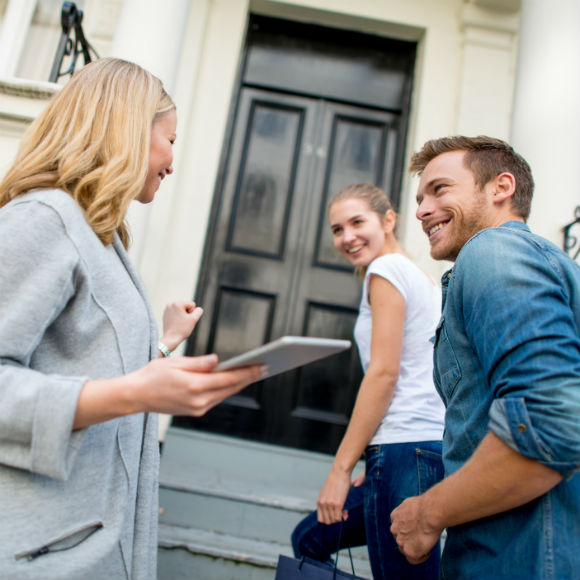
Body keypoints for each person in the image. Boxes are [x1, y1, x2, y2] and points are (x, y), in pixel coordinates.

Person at [0, 57, 265, 580]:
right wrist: (137, 393)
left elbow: (79, 366)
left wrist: (163, 346)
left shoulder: (101, 235)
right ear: (125, 129)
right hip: (40, 554)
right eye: (170, 139)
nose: (172, 161)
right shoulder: (42, 220)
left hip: (88, 547)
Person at [390, 135, 580, 580]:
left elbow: (554, 423)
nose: (420, 210)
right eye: (419, 198)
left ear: (501, 188)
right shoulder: (539, 261)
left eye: (439, 189)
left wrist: (428, 513)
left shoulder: (493, 251)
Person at [295, 183, 445, 580]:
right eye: (337, 229)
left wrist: (341, 469)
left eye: (357, 222)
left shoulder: (385, 270)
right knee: (311, 539)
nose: (347, 237)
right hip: (419, 449)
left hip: (403, 448)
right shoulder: (424, 278)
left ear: (389, 220)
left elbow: (384, 373)